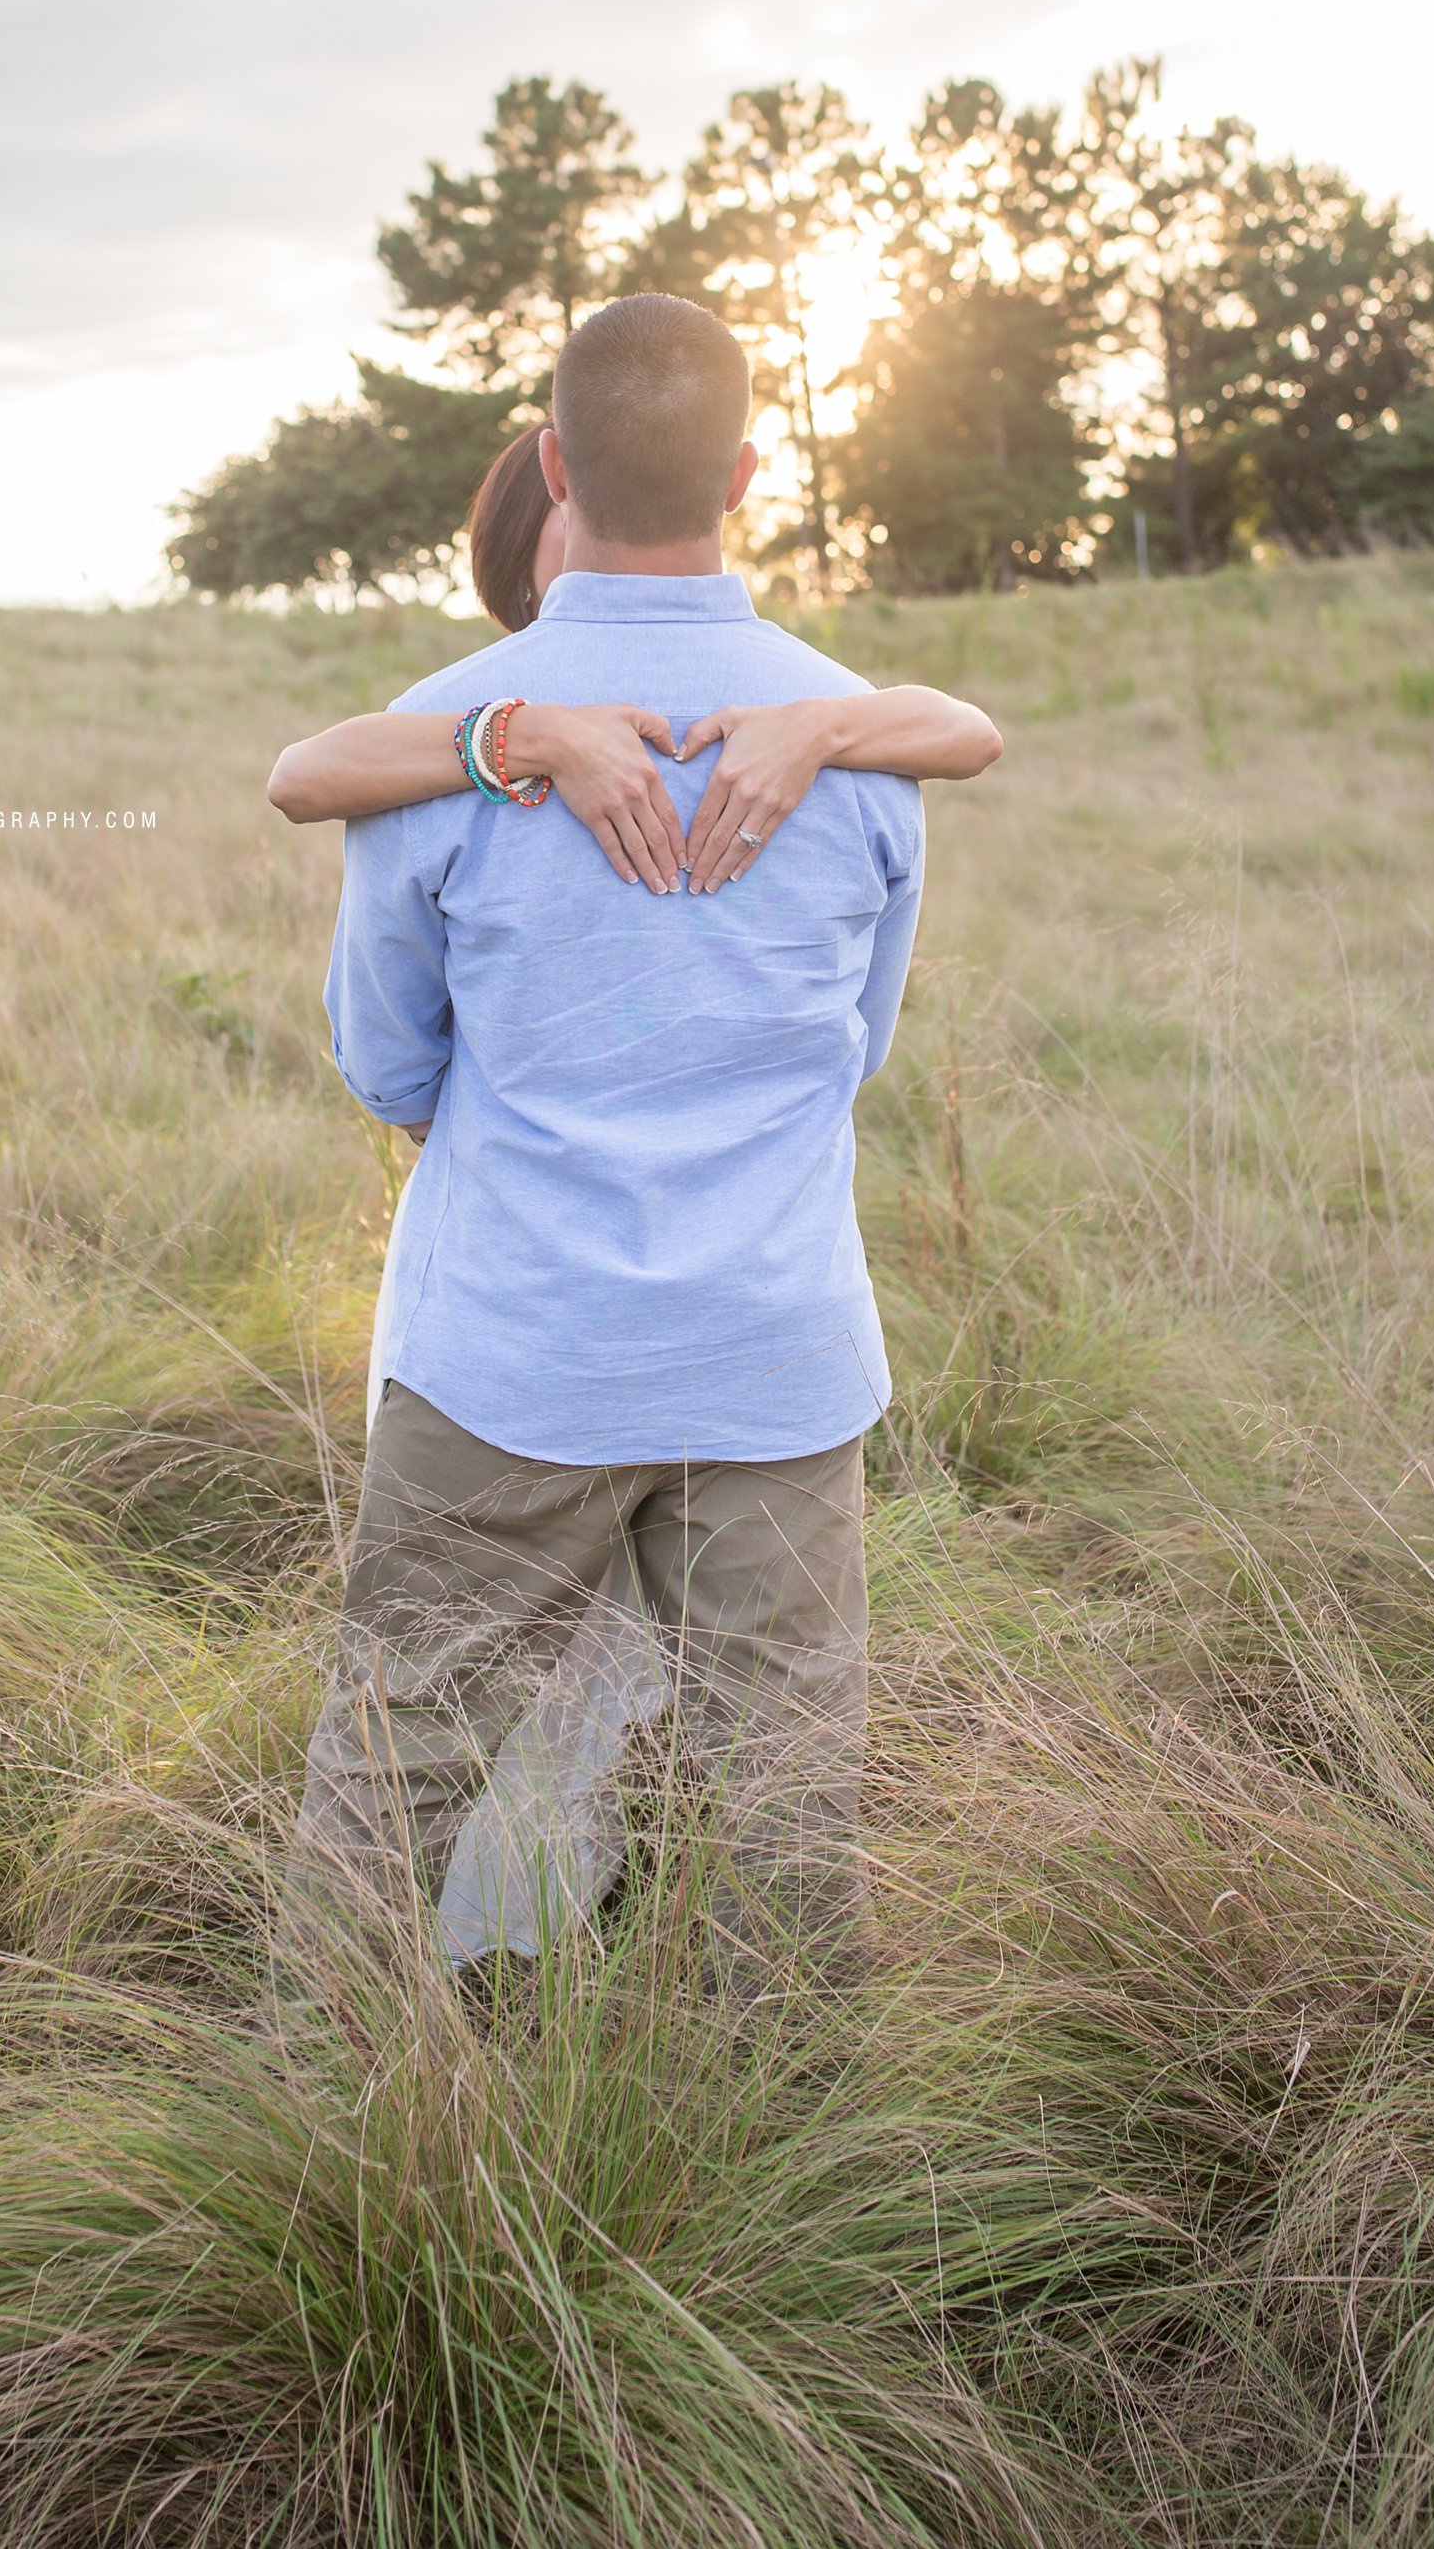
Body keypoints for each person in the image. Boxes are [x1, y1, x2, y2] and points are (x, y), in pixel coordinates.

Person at [275, 294, 1001, 1992]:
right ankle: (782, 2153)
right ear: (746, 472)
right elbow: (856, 1054)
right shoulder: (856, 745)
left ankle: (322, 2137)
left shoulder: (444, 735)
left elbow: (385, 1068)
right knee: (781, 1796)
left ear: (549, 460)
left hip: (509, 1351)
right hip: (772, 1347)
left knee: (396, 1770)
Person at [268, 425, 1001, 884]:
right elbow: (299, 779)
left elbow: (971, 734)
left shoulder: (784, 684)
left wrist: (818, 726)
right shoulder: (461, 699)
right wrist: (540, 735)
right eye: (567, 506)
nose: (591, 522)